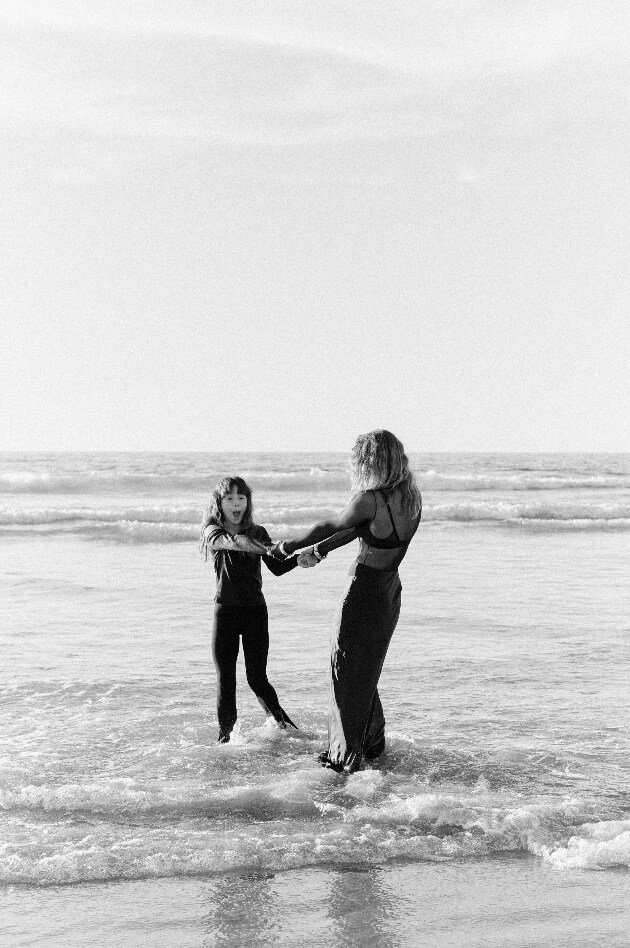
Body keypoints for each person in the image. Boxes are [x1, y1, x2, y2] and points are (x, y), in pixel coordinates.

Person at [269, 430, 422, 773]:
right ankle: (370, 745)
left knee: (345, 670)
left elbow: (333, 523)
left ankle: (344, 757)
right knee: (365, 671)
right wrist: (320, 552)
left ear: (370, 462)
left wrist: (288, 546)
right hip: (389, 592)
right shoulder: (410, 497)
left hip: (363, 591)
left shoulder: (370, 499)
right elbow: (360, 529)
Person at [200, 476, 298, 743]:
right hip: (226, 613)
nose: (236, 504)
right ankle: (226, 738)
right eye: (230, 498)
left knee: (257, 678)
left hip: (255, 612)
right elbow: (234, 542)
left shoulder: (259, 532)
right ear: (219, 503)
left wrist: (300, 558)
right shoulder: (212, 530)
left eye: (241, 498)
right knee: (226, 679)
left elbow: (277, 567)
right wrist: (273, 548)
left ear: (248, 502)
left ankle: (284, 727)